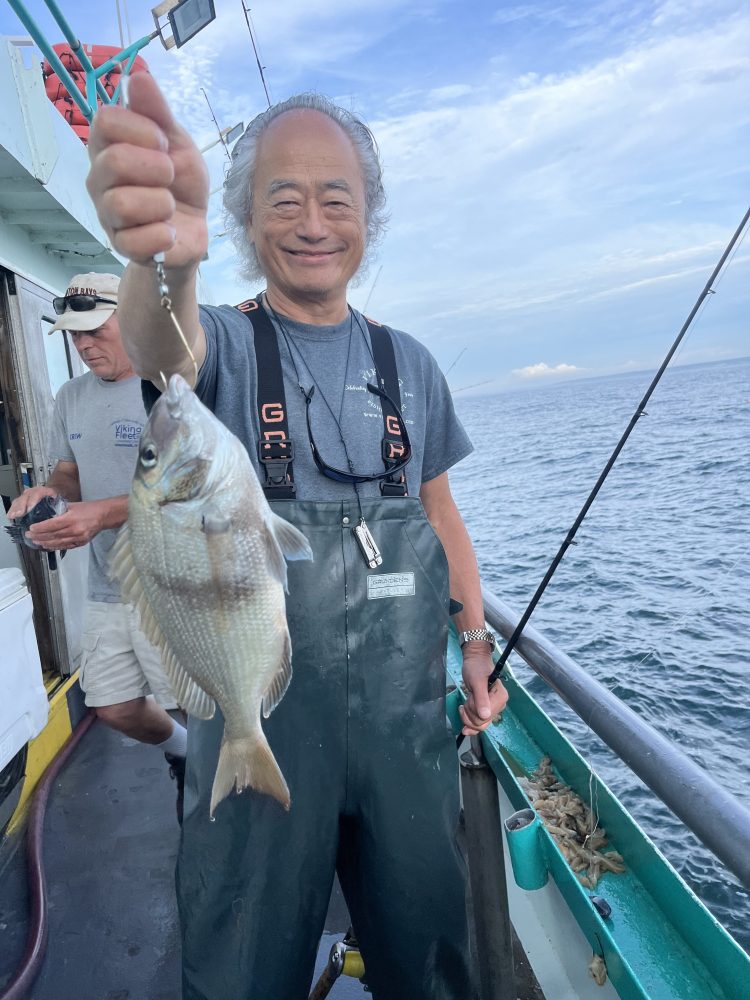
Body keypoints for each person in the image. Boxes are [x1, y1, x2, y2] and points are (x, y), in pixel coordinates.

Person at [87, 73, 508, 1000]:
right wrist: (170, 263)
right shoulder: (228, 349)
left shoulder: (412, 366)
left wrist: (475, 643)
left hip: (406, 726)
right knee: (242, 955)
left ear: (369, 217)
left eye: (336, 198)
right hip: (262, 710)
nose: (313, 222)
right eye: (284, 199)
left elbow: (440, 517)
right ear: (246, 221)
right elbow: (163, 348)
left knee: (431, 944)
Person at [7, 273, 188, 821]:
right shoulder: (71, 396)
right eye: (74, 335)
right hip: (110, 585)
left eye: (94, 330)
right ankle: (185, 754)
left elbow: (190, 492)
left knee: (201, 705)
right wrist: (48, 497)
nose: (83, 345)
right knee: (110, 704)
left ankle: (222, 801)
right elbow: (68, 476)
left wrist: (99, 515)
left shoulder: (175, 389)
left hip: (177, 584)